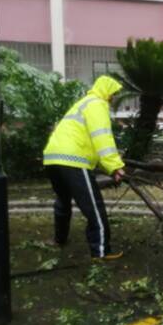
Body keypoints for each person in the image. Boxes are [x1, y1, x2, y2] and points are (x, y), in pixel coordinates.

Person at [43, 75, 126, 260]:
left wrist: (107, 164)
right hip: (73, 160)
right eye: (113, 93)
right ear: (107, 92)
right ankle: (101, 252)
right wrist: (115, 167)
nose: (114, 98)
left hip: (52, 159)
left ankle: (59, 239)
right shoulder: (97, 105)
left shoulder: (83, 102)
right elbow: (102, 138)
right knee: (94, 209)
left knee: (63, 201)